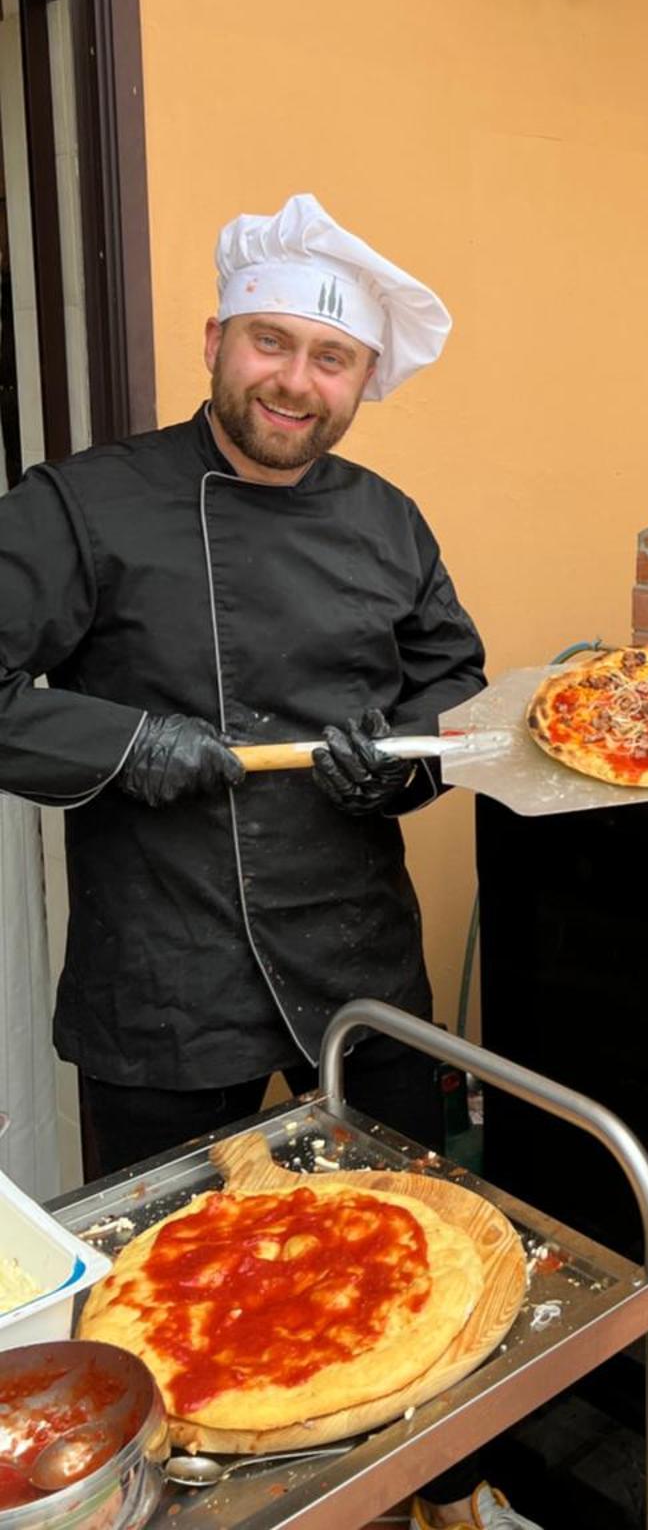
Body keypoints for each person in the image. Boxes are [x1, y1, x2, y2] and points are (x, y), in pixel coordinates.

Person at [0, 192, 487, 1179]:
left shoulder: (390, 520)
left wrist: (396, 764)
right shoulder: (82, 503)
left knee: (399, 1249)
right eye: (272, 341)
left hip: (364, 979)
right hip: (166, 985)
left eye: (330, 357)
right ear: (217, 339)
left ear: (363, 381)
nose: (295, 382)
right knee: (180, 1286)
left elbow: (454, 683)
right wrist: (125, 743)